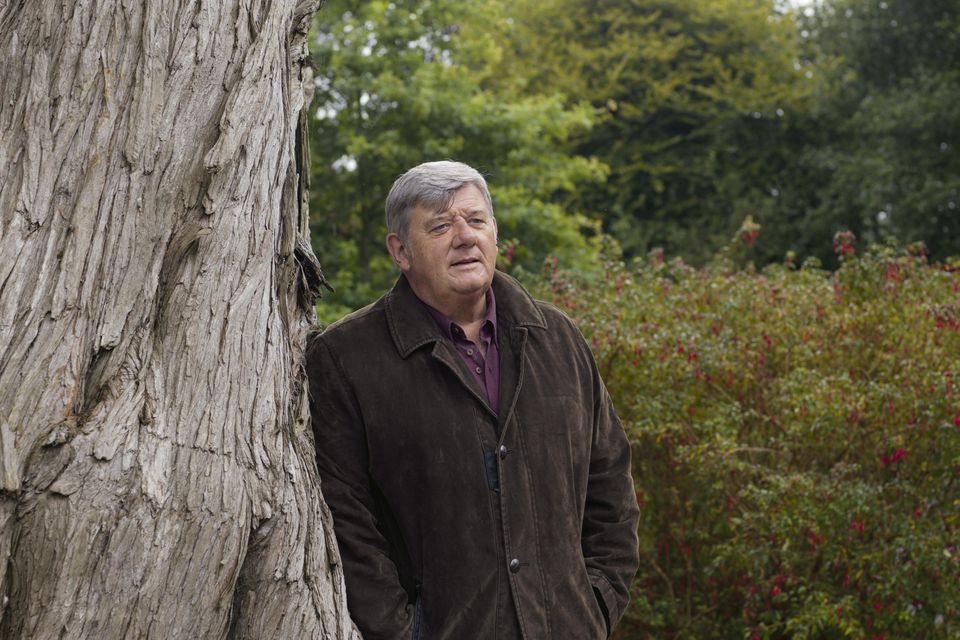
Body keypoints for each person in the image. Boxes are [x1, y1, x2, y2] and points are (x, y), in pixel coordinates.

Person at [306, 161, 640, 639]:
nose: (465, 237)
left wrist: (596, 606)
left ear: (494, 233)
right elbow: (346, 522)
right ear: (400, 251)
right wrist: (404, 633)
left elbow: (611, 487)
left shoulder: (558, 338)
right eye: (441, 226)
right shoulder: (346, 359)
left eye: (476, 220)